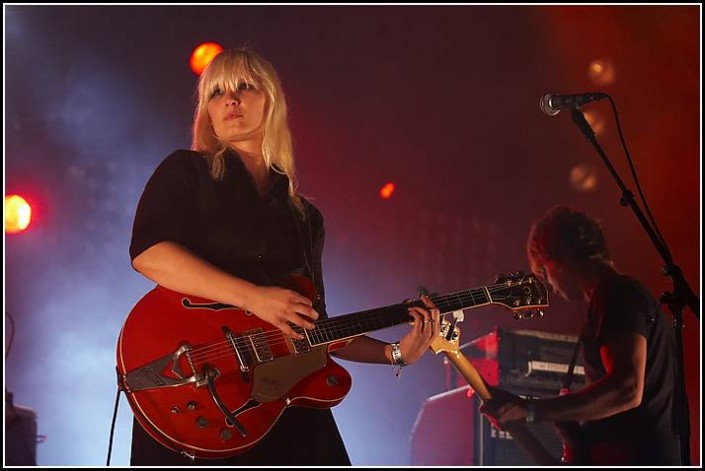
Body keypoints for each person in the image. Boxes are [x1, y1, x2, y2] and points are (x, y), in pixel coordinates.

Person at [127, 47, 440, 466]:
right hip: (199, 388)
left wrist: (394, 353)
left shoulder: (304, 217)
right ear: (207, 112)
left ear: (271, 100)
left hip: (280, 396)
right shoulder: (186, 172)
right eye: (217, 93)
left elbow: (314, 325)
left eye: (244, 87)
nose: (231, 100)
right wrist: (254, 298)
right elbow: (150, 253)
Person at [480, 206, 680, 466]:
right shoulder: (611, 300)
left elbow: (627, 389)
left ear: (556, 257)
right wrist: (516, 421)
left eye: (543, 273)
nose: (549, 285)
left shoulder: (617, 294)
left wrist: (532, 411)